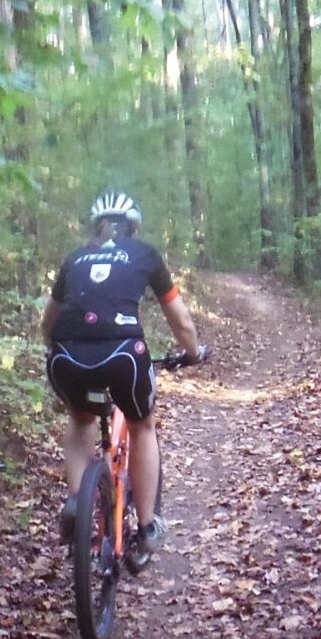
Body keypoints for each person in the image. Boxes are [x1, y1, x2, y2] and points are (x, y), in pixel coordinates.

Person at [41, 191, 204, 562]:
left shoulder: (75, 258)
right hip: (123, 356)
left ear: (94, 227)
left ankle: (76, 502)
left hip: (66, 356)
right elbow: (180, 320)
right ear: (133, 226)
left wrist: (52, 351)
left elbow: (48, 322)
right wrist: (193, 353)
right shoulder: (144, 254)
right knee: (141, 425)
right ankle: (146, 527)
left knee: (80, 419)